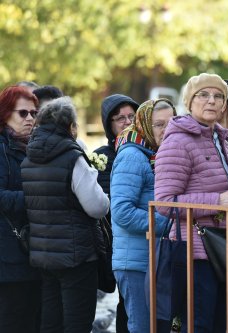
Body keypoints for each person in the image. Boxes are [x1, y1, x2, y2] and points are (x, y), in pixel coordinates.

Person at [155, 73, 228, 332]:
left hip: (221, 247)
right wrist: (218, 201)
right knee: (198, 325)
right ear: (189, 102)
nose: (211, 101)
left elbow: (227, 187)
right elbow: (165, 202)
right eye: (203, 95)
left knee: (218, 324)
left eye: (218, 96)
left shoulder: (219, 138)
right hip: (193, 251)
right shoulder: (178, 141)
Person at [21, 96, 110, 332]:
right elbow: (97, 207)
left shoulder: (30, 157)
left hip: (44, 256)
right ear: (71, 126)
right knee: (77, 322)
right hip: (76, 256)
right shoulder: (72, 157)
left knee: (51, 321)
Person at [111, 98, 175, 333]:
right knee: (142, 327)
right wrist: (168, 225)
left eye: (172, 123)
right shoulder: (133, 156)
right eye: (159, 124)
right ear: (145, 125)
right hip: (135, 262)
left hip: (154, 259)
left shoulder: (157, 155)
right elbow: (122, 212)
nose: (167, 130)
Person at [94, 93, 139, 332]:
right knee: (128, 304)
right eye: (119, 118)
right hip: (117, 244)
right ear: (108, 124)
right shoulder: (101, 156)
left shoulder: (153, 151)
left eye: (132, 116)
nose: (127, 122)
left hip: (148, 240)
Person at [0, 86, 41, 333]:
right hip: (7, 256)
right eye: (22, 113)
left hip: (32, 253)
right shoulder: (2, 150)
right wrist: (35, 198)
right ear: (5, 114)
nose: (30, 119)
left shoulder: (33, 148)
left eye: (34, 114)